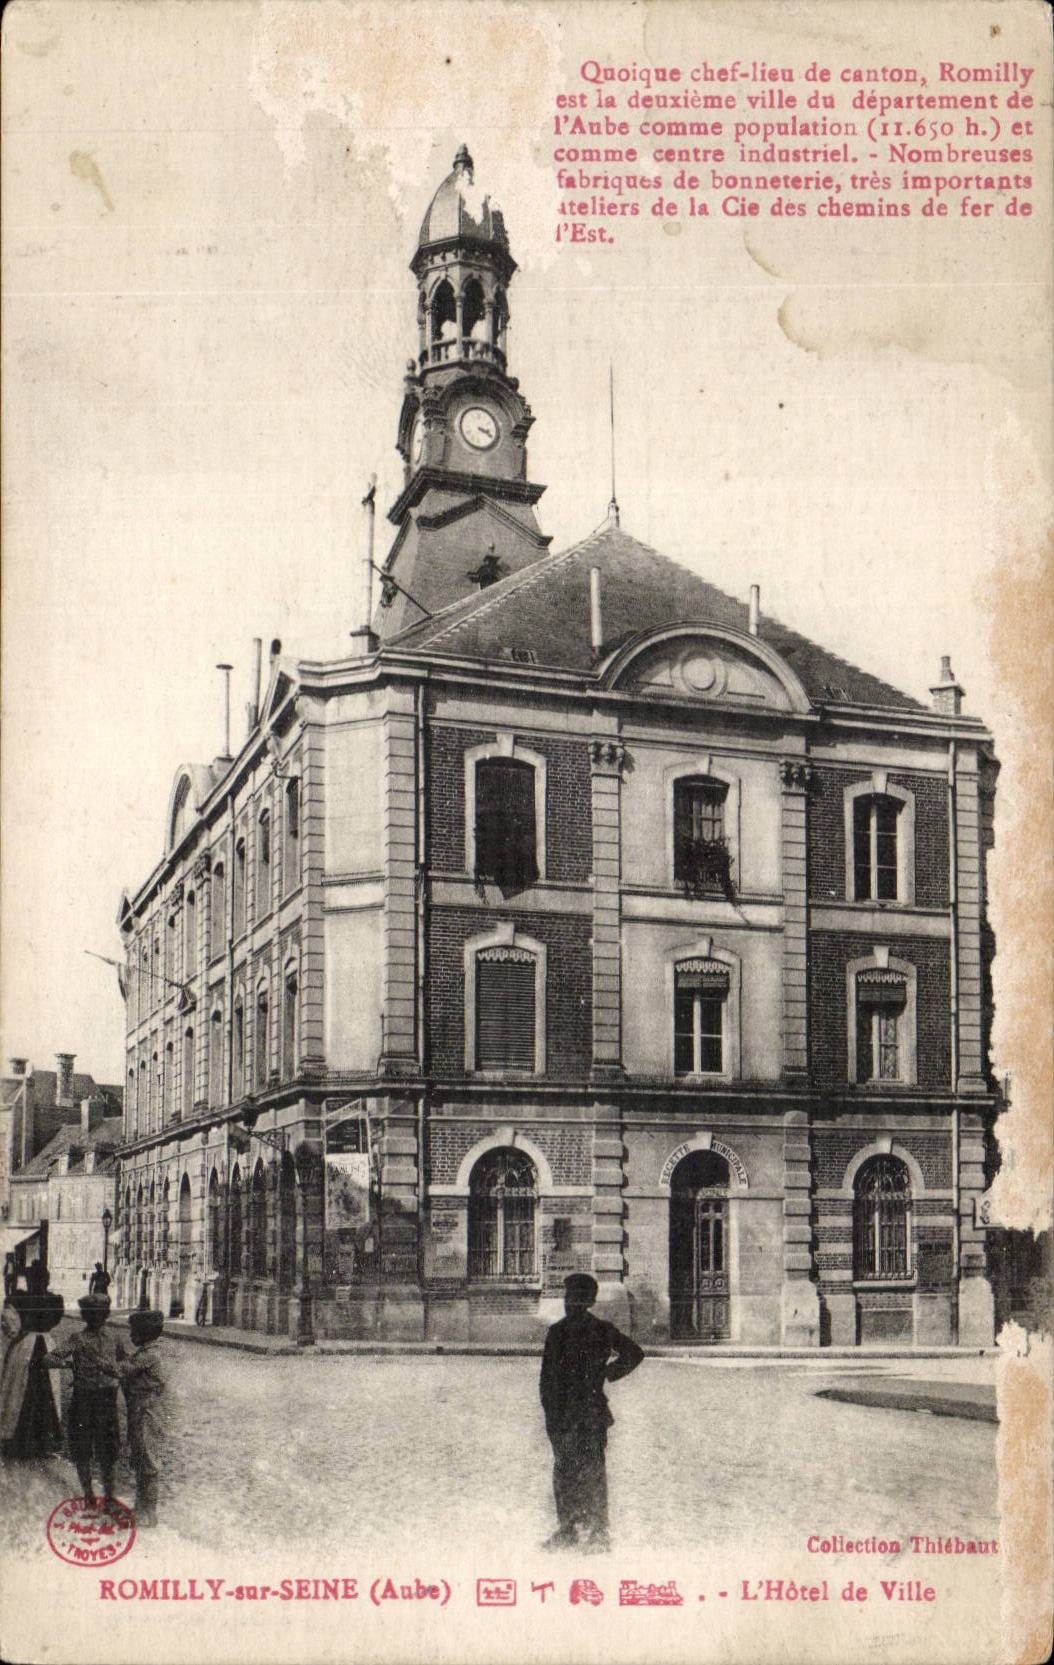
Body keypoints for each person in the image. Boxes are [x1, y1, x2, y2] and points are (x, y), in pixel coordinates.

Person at [539, 1272, 644, 1551]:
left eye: (571, 1297)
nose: (568, 1302)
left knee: (570, 1471)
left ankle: (575, 1530)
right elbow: (634, 1353)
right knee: (588, 1470)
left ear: (580, 1300)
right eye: (568, 1297)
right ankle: (591, 1531)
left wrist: (552, 1419)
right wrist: (610, 1372)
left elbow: (546, 1384)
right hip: (589, 1412)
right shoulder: (600, 1329)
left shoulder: (559, 1332)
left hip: (570, 1415)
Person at [44, 1293, 125, 1504]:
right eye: (93, 1314)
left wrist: (117, 1372)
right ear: (86, 1315)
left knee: (109, 1450)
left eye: (101, 1313)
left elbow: (125, 1364)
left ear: (106, 1314)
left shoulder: (115, 1338)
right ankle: (88, 1495)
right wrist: (68, 1365)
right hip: (84, 1400)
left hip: (107, 1399)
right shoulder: (77, 1339)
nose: (97, 1317)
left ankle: (109, 1497)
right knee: (82, 1449)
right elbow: (48, 1358)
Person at [103, 1310, 167, 1528]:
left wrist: (99, 1359)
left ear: (144, 1333)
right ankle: (141, 1508)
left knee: (148, 1461)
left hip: (147, 1413)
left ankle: (149, 1513)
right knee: (140, 1459)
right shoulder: (145, 1352)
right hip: (139, 1411)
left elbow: (121, 1370)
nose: (131, 1335)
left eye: (134, 1331)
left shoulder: (150, 1355)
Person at [0, 1288, 65, 1461]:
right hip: (39, 1345)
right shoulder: (50, 1300)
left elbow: (10, 1325)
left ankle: (24, 1438)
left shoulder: (20, 1299)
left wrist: (17, 1335)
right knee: (35, 1391)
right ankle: (37, 1439)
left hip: (28, 1347)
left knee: (25, 1391)